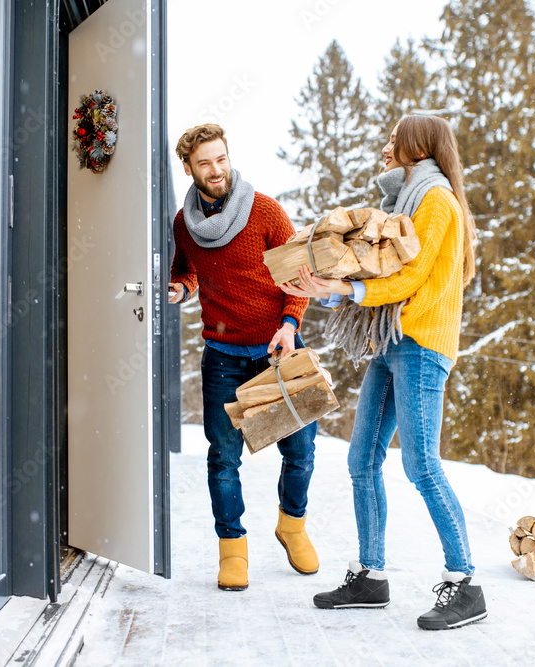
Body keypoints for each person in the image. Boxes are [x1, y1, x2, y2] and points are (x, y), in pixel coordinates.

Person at [281, 115, 487, 629]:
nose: (385, 147)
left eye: (393, 140)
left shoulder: (437, 201)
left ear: (418, 146)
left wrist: (345, 291)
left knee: (421, 465)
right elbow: (381, 267)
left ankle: (466, 584)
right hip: (392, 341)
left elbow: (412, 274)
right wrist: (328, 286)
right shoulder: (405, 201)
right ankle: (371, 576)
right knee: (362, 460)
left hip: (420, 344)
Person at [169, 123, 319, 591]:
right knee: (223, 457)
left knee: (300, 452)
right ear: (190, 169)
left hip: (278, 351)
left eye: (220, 159)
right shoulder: (184, 224)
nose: (216, 170)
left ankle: (291, 525)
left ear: (228, 157)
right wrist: (180, 288)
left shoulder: (266, 211)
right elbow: (188, 270)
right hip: (222, 357)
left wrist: (289, 325)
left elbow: (300, 275)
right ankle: (232, 548)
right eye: (204, 163)